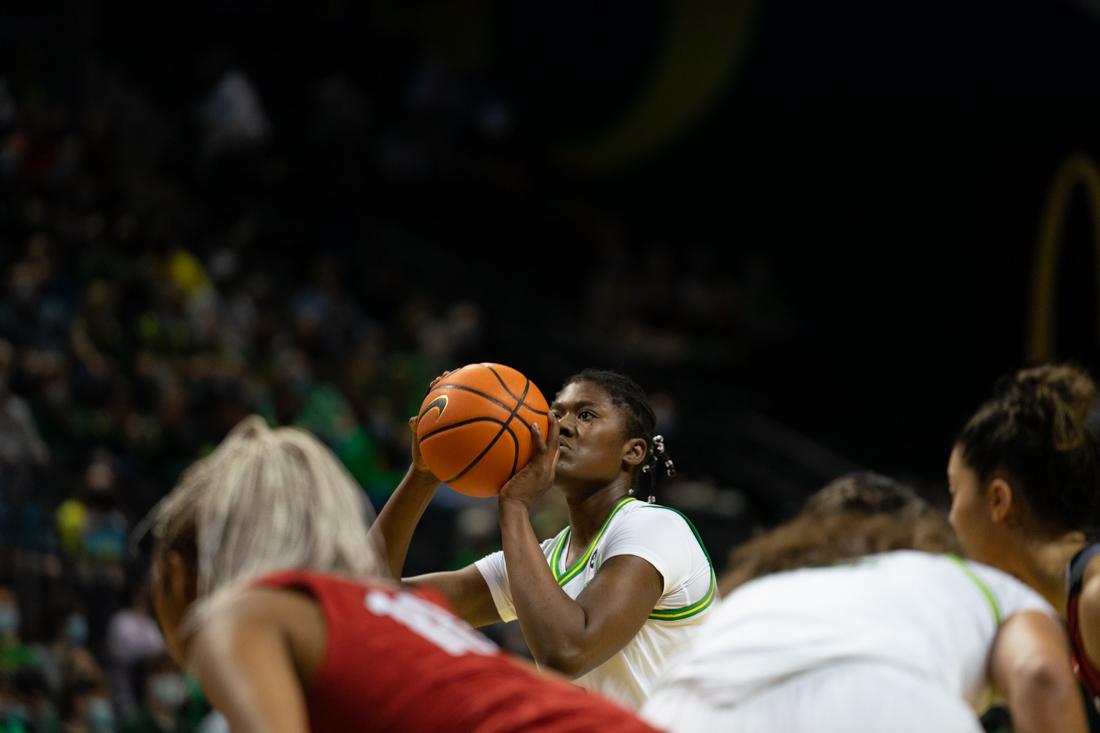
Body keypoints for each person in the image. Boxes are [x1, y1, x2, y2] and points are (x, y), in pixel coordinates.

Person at [142, 414, 660, 733]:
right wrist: (422, 473)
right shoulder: (396, 618)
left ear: (174, 573)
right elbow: (363, 587)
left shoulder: (241, 616)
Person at [371, 368, 715, 708]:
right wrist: (425, 472)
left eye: (585, 415)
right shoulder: (541, 561)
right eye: (555, 413)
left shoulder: (654, 527)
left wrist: (515, 504)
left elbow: (567, 652)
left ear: (633, 451)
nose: (561, 425)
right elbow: (371, 598)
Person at [640, 477, 1087, 733]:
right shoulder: (960, 579)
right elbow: (1040, 672)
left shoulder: (758, 595)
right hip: (880, 706)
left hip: (678, 715)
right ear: (927, 544)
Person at [947, 364, 1100, 714]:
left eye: (955, 491)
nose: (950, 519)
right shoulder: (1065, 611)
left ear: (999, 500)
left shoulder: (1096, 597)